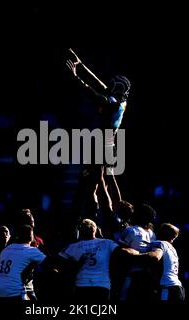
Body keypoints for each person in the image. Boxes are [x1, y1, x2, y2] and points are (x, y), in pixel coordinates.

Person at [66, 48, 131, 228]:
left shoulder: (110, 103)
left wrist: (75, 76)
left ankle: (103, 217)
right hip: (110, 141)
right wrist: (82, 66)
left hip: (103, 142)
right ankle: (120, 215)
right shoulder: (121, 101)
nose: (109, 85)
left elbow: (91, 91)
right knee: (109, 178)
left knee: (97, 182)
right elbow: (98, 83)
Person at [58, 219, 144, 302]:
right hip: (101, 285)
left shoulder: (72, 246)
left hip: (81, 285)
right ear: (95, 229)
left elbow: (56, 262)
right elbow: (123, 252)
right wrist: (138, 251)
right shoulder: (107, 243)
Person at [0, 225, 46, 300]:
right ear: (31, 236)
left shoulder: (6, 250)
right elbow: (51, 264)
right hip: (14, 291)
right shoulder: (30, 250)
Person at [147, 223, 185, 302]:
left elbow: (155, 256)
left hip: (167, 288)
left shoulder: (160, 243)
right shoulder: (173, 249)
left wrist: (135, 254)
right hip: (178, 288)